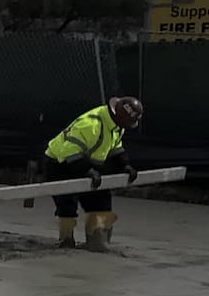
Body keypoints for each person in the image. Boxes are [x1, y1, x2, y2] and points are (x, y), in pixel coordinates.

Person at [44, 96, 143, 251]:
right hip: (60, 163)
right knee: (67, 202)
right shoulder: (91, 124)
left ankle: (97, 241)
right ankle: (66, 240)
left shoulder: (117, 126)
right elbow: (69, 151)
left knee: (101, 199)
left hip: (85, 162)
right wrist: (87, 171)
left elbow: (116, 147)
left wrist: (125, 165)